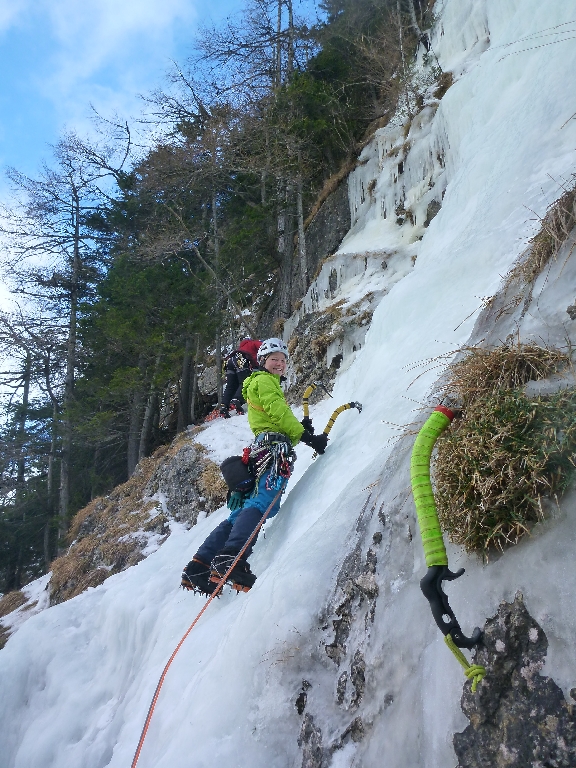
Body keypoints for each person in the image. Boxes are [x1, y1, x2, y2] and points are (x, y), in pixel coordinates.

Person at [182, 337, 328, 594]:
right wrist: (308, 437)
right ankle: (232, 558)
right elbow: (278, 412)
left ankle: (199, 565)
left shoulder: (256, 382)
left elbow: (273, 416)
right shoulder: (265, 381)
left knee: (241, 512)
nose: (279, 364)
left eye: (283, 360)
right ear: (262, 361)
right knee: (262, 503)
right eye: (274, 359)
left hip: (261, 450)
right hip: (273, 451)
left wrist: (299, 430)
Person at [219, 338, 261, 418]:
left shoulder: (241, 348)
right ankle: (236, 400)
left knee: (230, 386)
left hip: (229, 361)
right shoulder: (253, 343)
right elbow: (263, 348)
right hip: (240, 360)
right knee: (245, 382)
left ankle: (224, 405)